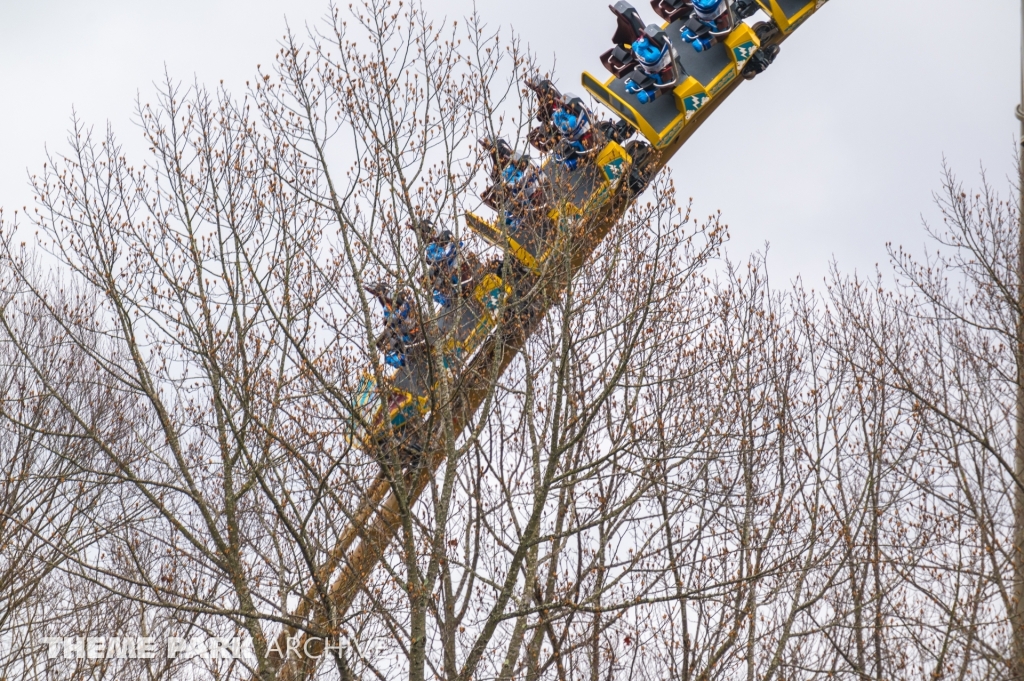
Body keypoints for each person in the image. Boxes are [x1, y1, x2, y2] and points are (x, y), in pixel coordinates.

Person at [365, 283, 421, 368]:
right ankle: (407, 357)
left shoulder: (402, 300)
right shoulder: (388, 308)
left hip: (413, 330)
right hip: (405, 337)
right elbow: (392, 321)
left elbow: (407, 309)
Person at [624, 26, 683, 104]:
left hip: (655, 72)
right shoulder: (648, 53)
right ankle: (638, 85)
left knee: (657, 82)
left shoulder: (639, 48)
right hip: (650, 70)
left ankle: (648, 93)